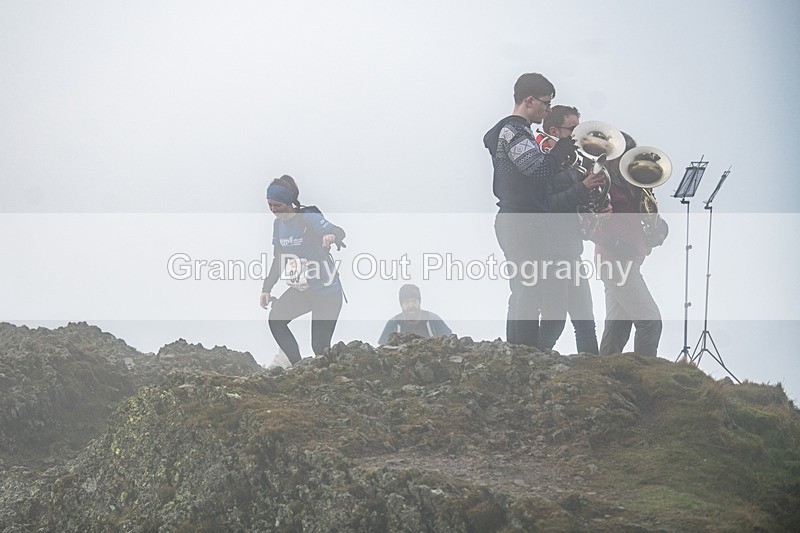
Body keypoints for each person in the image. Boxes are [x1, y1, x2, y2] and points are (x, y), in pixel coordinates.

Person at [483, 72, 577, 348]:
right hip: (521, 220)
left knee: (525, 290)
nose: (548, 110)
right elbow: (538, 171)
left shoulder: (514, 131)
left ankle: (520, 351)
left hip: (520, 220)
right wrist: (561, 150)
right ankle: (522, 354)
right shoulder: (513, 130)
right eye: (546, 103)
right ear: (529, 100)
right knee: (528, 291)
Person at [536, 105, 606, 354]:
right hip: (552, 252)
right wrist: (583, 187)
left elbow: (575, 204)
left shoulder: (573, 163)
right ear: (554, 130)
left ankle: (595, 377)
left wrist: (595, 208)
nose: (579, 136)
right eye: (573, 129)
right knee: (554, 321)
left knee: (585, 321)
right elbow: (548, 205)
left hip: (571, 249)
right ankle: (531, 364)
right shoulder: (543, 162)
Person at [593, 133, 667, 356]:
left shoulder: (633, 183)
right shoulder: (601, 182)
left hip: (628, 259)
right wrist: (615, 244)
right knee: (650, 322)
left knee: (617, 329)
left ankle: (604, 376)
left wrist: (660, 230)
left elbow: (647, 215)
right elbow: (590, 222)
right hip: (615, 259)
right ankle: (646, 378)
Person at [259, 175, 346, 365]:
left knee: (320, 348)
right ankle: (298, 367)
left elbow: (339, 231)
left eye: (278, 205)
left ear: (289, 202)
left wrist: (331, 236)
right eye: (270, 205)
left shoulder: (308, 218)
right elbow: (279, 259)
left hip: (327, 293)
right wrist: (267, 288)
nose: (273, 210)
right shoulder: (278, 225)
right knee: (276, 320)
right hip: (304, 291)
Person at [378, 284, 452, 344]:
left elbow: (451, 341)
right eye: (407, 302)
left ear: (419, 302)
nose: (411, 306)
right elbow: (381, 350)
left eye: (414, 301)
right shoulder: (393, 323)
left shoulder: (433, 319)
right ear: (401, 304)